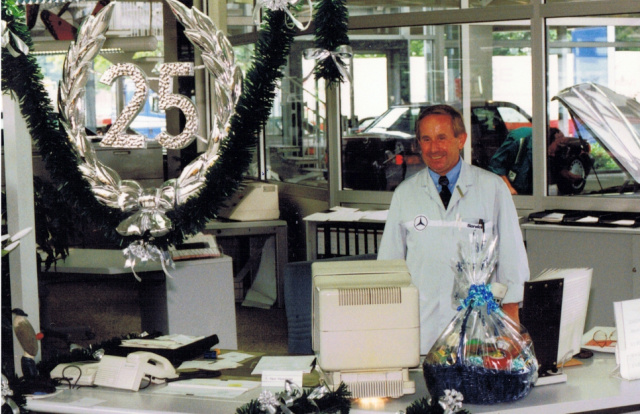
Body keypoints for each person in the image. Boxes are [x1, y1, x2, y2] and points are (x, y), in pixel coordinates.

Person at [377, 104, 530, 355]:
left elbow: (512, 258)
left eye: (442, 138)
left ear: (461, 140)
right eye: (426, 139)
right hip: (420, 329)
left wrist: (511, 323)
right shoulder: (405, 194)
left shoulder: (492, 188)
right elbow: (388, 266)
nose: (433, 148)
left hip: (478, 330)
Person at [487, 126, 533, 195]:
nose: (550, 154)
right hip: (511, 189)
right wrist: (508, 187)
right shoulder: (520, 138)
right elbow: (496, 165)